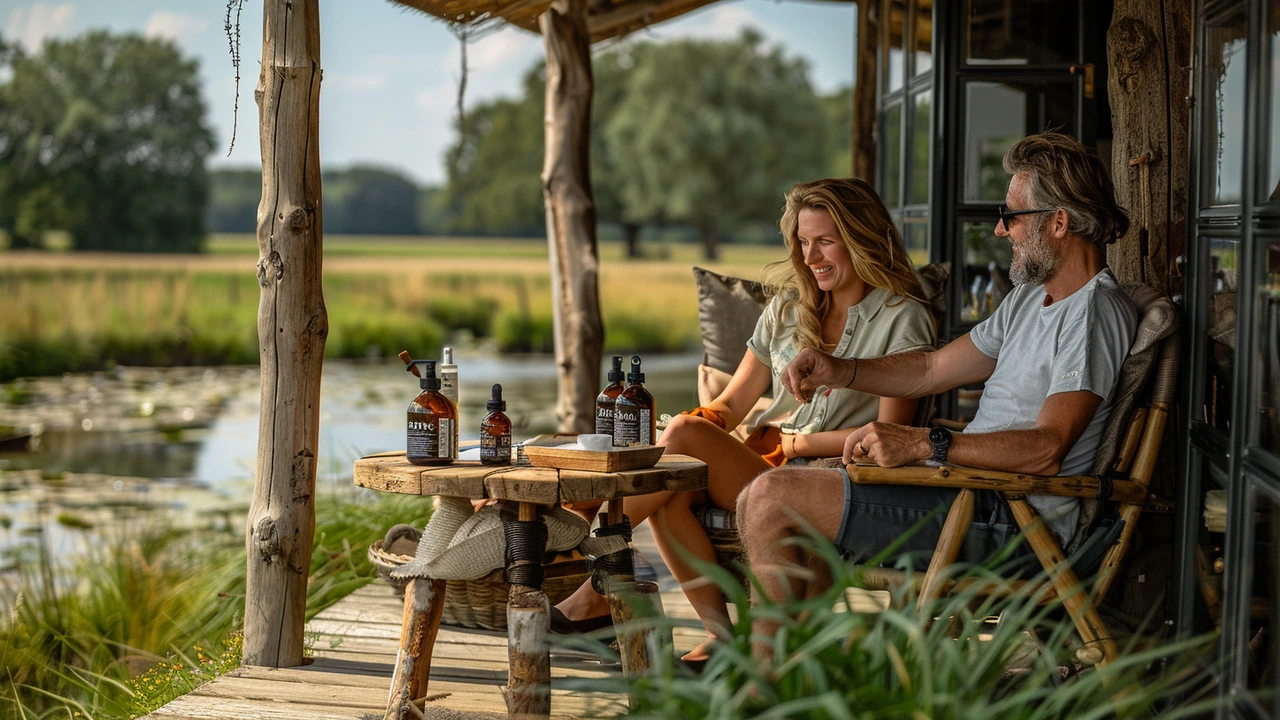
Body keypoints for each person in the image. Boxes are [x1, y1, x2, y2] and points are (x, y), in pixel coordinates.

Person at [735, 132, 1139, 659]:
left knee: (771, 497)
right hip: (968, 495)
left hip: (1009, 520)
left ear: (1058, 223)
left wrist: (925, 445)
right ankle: (794, 673)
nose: (1000, 229)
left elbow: (1047, 447)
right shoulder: (1030, 300)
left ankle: (766, 691)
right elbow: (929, 368)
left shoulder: (1090, 315)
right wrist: (843, 368)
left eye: (1012, 215)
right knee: (763, 497)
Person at [553, 177, 937, 663]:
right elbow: (732, 406)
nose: (812, 256)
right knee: (676, 481)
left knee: (685, 447)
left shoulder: (903, 317)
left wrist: (794, 446)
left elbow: (887, 439)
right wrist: (668, 433)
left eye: (825, 241)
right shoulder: (786, 309)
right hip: (763, 465)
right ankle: (720, 635)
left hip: (833, 480)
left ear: (860, 237)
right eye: (803, 241)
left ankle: (577, 558)